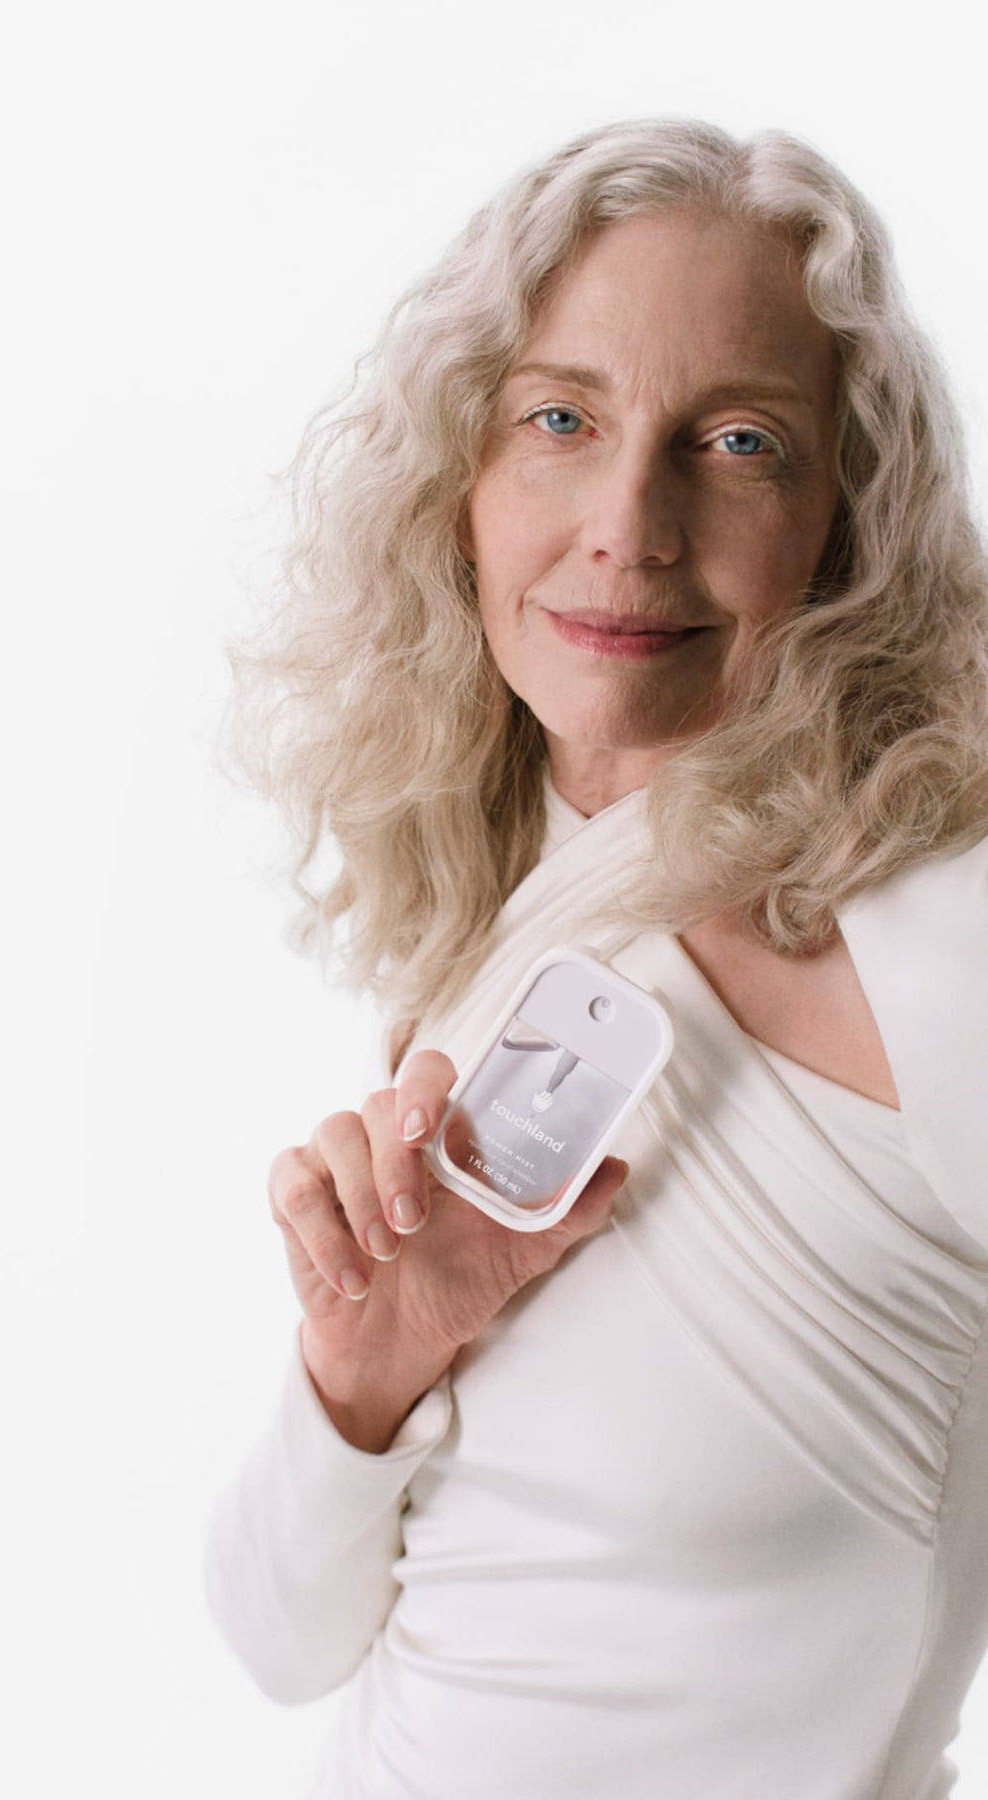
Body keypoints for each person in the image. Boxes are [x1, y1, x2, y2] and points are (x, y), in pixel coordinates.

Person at [205, 118, 988, 1798]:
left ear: (847, 524)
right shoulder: (510, 910)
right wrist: (366, 1371)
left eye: (739, 441)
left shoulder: (929, 924)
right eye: (560, 419)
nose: (629, 524)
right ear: (462, 481)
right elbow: (280, 1640)